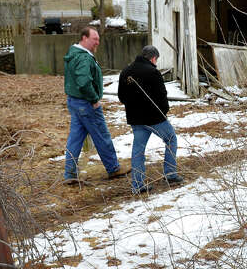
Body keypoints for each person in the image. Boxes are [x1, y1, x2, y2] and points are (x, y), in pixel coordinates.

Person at [62, 27, 127, 183]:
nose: (97, 42)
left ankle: (70, 174)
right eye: (94, 39)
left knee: (75, 138)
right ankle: (113, 168)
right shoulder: (83, 58)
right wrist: (94, 99)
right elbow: (84, 82)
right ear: (84, 38)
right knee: (101, 135)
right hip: (86, 104)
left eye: (98, 39)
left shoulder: (74, 54)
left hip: (74, 102)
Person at [118, 45, 183, 194]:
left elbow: (122, 97)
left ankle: (137, 184)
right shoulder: (153, 72)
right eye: (156, 60)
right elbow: (162, 95)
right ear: (153, 58)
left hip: (135, 119)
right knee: (171, 138)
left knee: (138, 150)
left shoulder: (125, 72)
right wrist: (164, 111)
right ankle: (170, 174)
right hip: (155, 118)